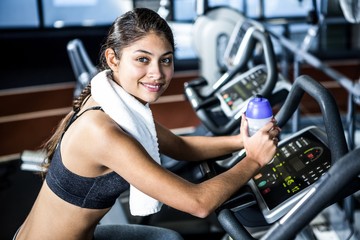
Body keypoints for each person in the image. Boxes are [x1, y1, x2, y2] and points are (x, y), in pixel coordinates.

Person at [14, 7, 280, 240]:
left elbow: (179, 145)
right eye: (143, 59)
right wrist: (254, 159)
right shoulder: (102, 131)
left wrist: (242, 142)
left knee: (167, 237)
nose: (157, 73)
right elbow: (198, 203)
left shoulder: (116, 102)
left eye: (166, 60)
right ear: (112, 59)